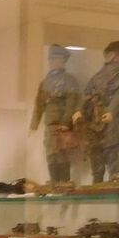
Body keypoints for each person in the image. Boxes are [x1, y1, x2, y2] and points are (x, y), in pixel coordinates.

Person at [73, 40, 119, 183]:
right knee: (95, 153)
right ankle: (97, 184)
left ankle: (114, 181)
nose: (114, 56)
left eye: (118, 54)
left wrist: (111, 111)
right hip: (94, 119)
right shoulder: (98, 75)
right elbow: (87, 94)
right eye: (112, 53)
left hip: (112, 120)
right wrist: (79, 110)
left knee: (111, 151)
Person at [29, 44, 81, 182]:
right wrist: (34, 124)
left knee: (62, 154)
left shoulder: (69, 81)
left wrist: (65, 122)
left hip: (63, 125)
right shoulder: (45, 82)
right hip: (50, 124)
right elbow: (39, 104)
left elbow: (71, 103)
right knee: (51, 154)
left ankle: (64, 183)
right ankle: (54, 183)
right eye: (51, 59)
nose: (53, 62)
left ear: (63, 60)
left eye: (57, 59)